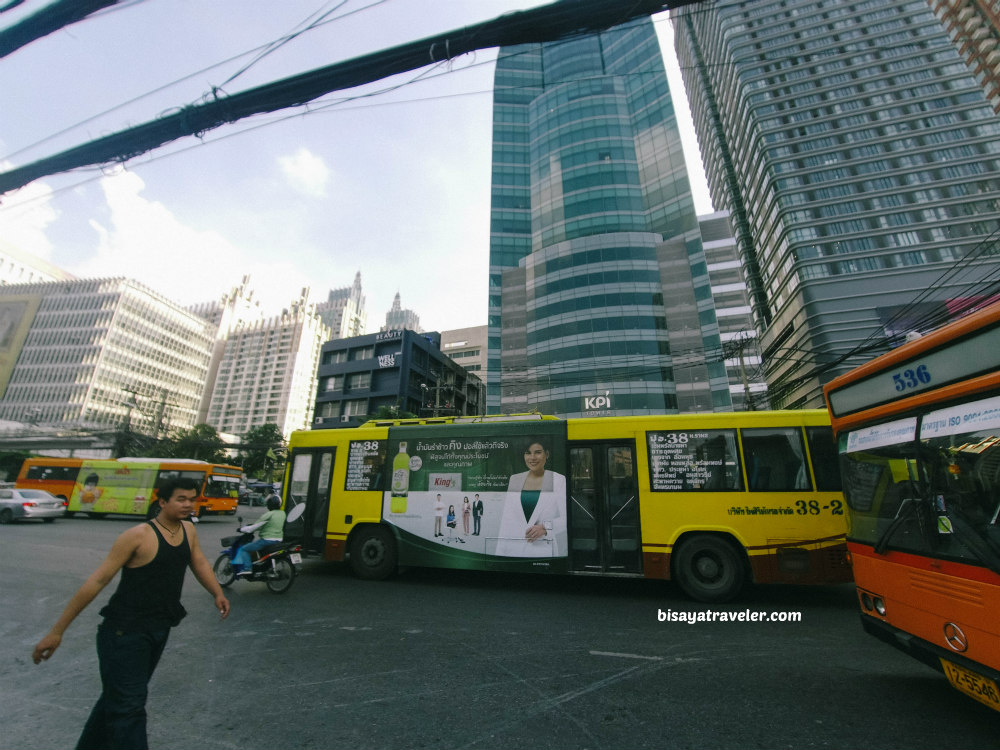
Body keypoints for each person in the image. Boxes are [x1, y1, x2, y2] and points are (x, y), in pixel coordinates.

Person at [31, 477, 229, 750]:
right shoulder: (138, 536)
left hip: (159, 629)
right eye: (181, 499)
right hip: (123, 634)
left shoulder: (187, 530)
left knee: (117, 700)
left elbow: (199, 562)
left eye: (192, 499)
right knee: (129, 708)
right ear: (162, 502)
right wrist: (57, 631)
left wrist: (217, 592)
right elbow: (97, 582)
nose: (188, 505)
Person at [496, 438, 567, 557]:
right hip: (513, 550)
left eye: (538, 452)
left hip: (543, 549)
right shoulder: (515, 479)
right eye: (528, 453)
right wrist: (499, 554)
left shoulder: (557, 479)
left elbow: (566, 518)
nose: (532, 458)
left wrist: (545, 528)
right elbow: (506, 521)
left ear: (547, 454)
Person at [232, 494, 286, 575]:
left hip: (267, 540)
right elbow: (271, 524)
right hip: (278, 540)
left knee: (244, 549)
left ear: (269, 504)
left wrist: (241, 529)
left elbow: (253, 528)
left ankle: (247, 568)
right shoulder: (282, 513)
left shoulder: (268, 514)